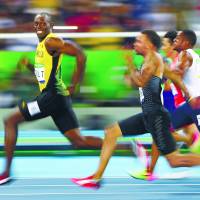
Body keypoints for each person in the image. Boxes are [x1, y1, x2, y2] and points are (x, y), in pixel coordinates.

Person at [71, 30, 200, 189]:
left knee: (174, 161)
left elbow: (140, 82)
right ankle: (96, 178)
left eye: (139, 41)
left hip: (157, 116)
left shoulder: (154, 58)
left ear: (150, 45)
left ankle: (146, 170)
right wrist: (186, 92)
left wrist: (129, 64)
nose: (135, 43)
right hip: (148, 115)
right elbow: (172, 77)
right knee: (111, 132)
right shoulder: (149, 61)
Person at [0, 12, 105, 185]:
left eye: (43, 23)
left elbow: (80, 54)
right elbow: (44, 75)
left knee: (10, 121)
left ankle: (6, 172)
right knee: (79, 141)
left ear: (51, 25)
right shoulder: (42, 46)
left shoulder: (51, 41)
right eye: (36, 24)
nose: (39, 26)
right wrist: (29, 67)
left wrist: (75, 84)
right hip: (58, 99)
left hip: (52, 97)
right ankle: (124, 146)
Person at [130, 30, 200, 180]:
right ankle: (150, 171)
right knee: (161, 131)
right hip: (185, 105)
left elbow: (176, 76)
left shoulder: (184, 56)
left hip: (191, 104)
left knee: (164, 132)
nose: (163, 47)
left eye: (166, 44)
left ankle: (151, 170)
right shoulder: (177, 59)